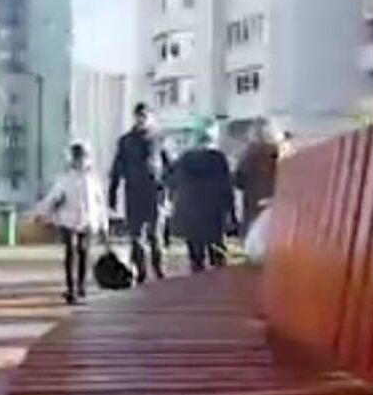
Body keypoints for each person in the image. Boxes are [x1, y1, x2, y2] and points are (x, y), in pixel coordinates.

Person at [36, 141, 108, 304]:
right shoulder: (66, 179)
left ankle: (81, 285)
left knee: (83, 252)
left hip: (87, 221)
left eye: (82, 157)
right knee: (71, 252)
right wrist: (41, 213)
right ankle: (71, 287)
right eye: (77, 158)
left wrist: (104, 224)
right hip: (68, 221)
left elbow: (99, 203)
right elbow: (53, 198)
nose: (80, 161)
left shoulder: (92, 180)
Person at [107, 102, 169, 283]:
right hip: (133, 191)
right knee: (136, 235)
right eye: (138, 116)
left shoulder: (159, 139)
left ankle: (159, 270)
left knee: (155, 234)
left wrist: (168, 190)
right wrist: (112, 192)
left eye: (145, 116)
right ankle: (141, 272)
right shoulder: (126, 141)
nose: (141, 119)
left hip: (154, 192)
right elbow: (117, 167)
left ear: (150, 117)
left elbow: (169, 165)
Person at [168, 120, 235, 272]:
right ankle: (219, 283)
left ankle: (198, 282)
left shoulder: (185, 158)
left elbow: (172, 182)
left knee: (196, 259)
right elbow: (226, 186)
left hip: (190, 213)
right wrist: (231, 213)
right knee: (218, 256)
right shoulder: (218, 158)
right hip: (213, 213)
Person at [235, 118, 283, 229]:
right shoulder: (277, 153)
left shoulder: (248, 155)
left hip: (254, 202)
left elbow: (238, 181)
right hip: (274, 198)